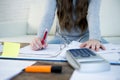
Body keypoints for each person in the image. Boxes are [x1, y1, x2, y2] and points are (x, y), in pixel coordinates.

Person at [30, 0, 107, 51]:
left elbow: (93, 14)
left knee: (106, 49)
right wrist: (40, 38)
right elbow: (48, 15)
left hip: (86, 38)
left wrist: (94, 38)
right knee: (41, 49)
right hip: (61, 38)